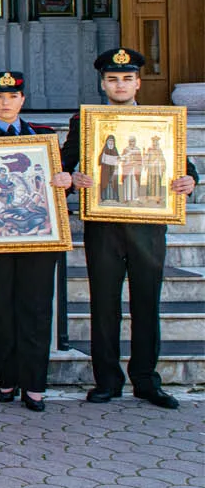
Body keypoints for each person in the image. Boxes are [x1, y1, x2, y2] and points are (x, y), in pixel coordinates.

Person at [62, 48, 198, 409]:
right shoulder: (85, 121)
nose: (119, 85)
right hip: (103, 227)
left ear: (138, 82)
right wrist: (73, 179)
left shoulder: (159, 120)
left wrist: (190, 181)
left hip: (147, 225)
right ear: (102, 83)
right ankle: (107, 380)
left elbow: (185, 166)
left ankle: (146, 381)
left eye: (126, 79)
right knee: (104, 305)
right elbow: (63, 165)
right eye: (112, 79)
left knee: (146, 304)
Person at [0, 71, 73, 412]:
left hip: (38, 238)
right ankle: (7, 380)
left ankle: (35, 384)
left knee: (36, 310)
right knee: (0, 310)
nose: (5, 102)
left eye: (12, 96)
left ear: (22, 99)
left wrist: (65, 180)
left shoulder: (44, 138)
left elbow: (59, 181)